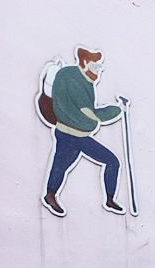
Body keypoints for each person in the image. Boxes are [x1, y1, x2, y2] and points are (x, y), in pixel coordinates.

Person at [41, 48, 124, 217]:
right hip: (68, 134)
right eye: (96, 66)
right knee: (61, 164)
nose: (98, 70)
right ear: (85, 63)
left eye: (100, 67)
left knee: (112, 162)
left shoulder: (85, 81)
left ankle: (109, 199)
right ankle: (50, 195)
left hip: (81, 136)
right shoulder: (72, 79)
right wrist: (117, 110)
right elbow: (90, 112)